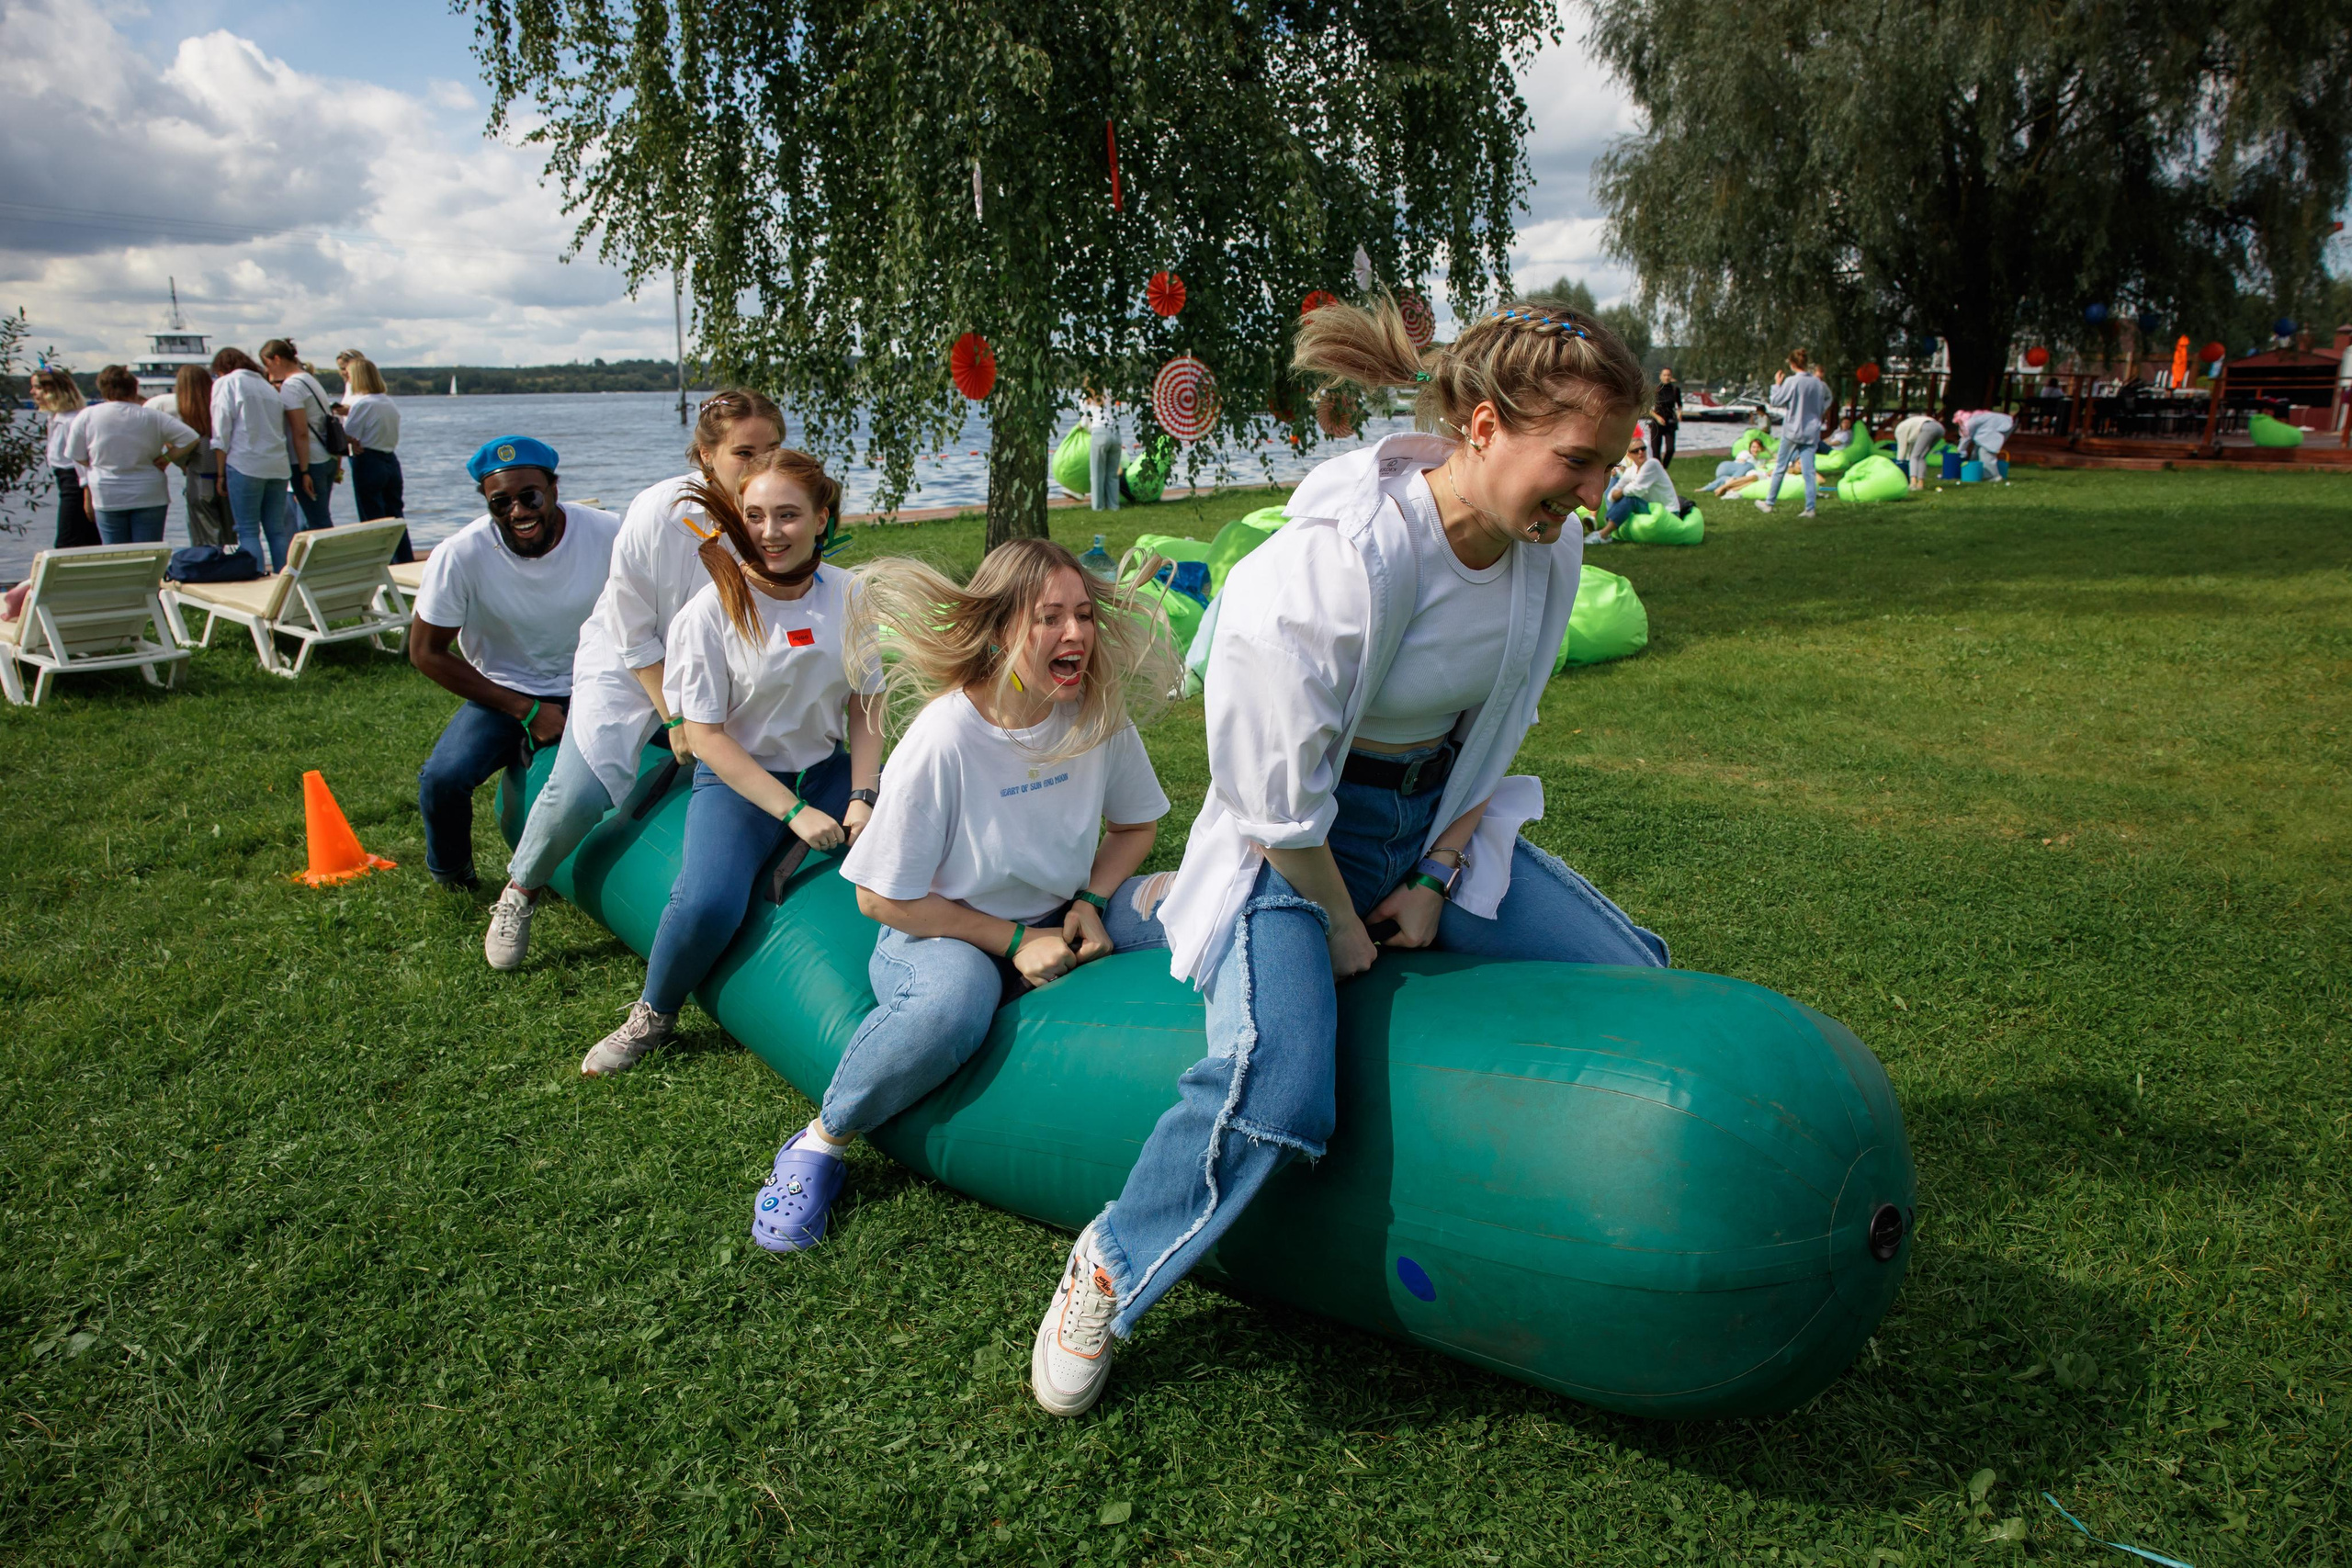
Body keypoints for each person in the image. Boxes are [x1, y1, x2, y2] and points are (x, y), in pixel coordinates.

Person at [1022, 296, 1669, 1418]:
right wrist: (1337, 920)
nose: (1592, 497)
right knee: (1280, 1096)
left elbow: (1492, 741)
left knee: (1634, 982)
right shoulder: (1331, 568)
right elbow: (1278, 808)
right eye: (1575, 462)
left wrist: (1428, 880)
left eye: (1609, 467)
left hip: (1423, 830)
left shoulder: (1542, 556)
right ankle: (1114, 1262)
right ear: (1479, 429)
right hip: (1292, 851)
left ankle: (1167, 905)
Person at [752, 536, 1178, 1254]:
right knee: (955, 1003)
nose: (1075, 633)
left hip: (1057, 909)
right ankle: (821, 1141)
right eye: (1050, 617)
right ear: (1002, 627)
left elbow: (1139, 825)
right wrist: (1015, 942)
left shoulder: (1094, 714)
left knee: (1202, 896)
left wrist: (1090, 900)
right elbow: (880, 900)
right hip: (937, 934)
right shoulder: (946, 736)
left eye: (1083, 614)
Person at [575, 449, 885, 1077]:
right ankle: (653, 1015)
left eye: (789, 515)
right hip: (738, 779)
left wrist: (864, 793)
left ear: (822, 518)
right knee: (707, 903)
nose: (771, 531)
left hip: (828, 769)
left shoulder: (851, 594)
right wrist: (794, 812)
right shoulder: (710, 609)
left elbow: (867, 702)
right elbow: (705, 736)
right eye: (756, 516)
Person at [484, 389, 786, 971]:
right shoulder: (661, 511)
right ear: (705, 455)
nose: (762, 465)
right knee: (580, 791)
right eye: (744, 453)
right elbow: (631, 627)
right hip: (630, 662)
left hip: (716, 664)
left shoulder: (772, 511)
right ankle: (520, 889)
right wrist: (674, 715)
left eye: (772, 448)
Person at [409, 437, 619, 890]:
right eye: (500, 502)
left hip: (599, 681)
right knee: (442, 779)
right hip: (507, 690)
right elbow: (425, 651)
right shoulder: (460, 555)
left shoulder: (608, 532)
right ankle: (452, 875)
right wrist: (525, 710)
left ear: (555, 489)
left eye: (530, 496)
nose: (518, 512)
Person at [65, 366, 198, 544]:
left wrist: (96, 462)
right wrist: (167, 458)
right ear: (134, 389)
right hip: (149, 491)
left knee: (116, 555)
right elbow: (190, 437)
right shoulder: (152, 416)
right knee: (149, 553)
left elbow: (76, 455)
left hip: (107, 492)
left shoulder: (87, 416)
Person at [209, 346, 296, 570]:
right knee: (276, 531)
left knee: (247, 530)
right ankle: (286, 579)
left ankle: (255, 579)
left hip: (245, 463)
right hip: (277, 465)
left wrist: (220, 473)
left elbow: (221, 432)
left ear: (222, 369)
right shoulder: (267, 387)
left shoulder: (227, 383)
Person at [339, 355, 411, 561]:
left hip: (369, 459)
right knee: (396, 516)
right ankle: (403, 560)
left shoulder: (363, 403)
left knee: (372, 517)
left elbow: (348, 432)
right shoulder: (388, 402)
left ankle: (380, 564)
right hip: (390, 459)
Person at [260, 338, 335, 533]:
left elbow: (299, 431)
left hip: (309, 460)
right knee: (318, 518)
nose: (268, 371)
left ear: (276, 359)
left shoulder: (291, 386)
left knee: (317, 523)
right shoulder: (308, 379)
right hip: (325, 455)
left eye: (266, 364)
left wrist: (303, 471)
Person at [164, 367, 231, 547]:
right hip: (225, 477)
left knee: (204, 537)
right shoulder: (217, 412)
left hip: (199, 479)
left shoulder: (184, 418)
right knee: (230, 535)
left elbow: (180, 454)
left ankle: (210, 568)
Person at [32, 369, 97, 549]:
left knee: (68, 541)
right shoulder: (54, 418)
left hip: (76, 483)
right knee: (83, 537)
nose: (32, 393)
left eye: (37, 388)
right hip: (65, 480)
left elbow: (82, 460)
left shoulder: (71, 420)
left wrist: (87, 496)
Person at [1758, 352, 1829, 516]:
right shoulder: (1818, 383)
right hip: (1811, 431)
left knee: (1781, 467)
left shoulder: (1792, 381)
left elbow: (1776, 401)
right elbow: (1828, 397)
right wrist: (1820, 410)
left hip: (1792, 430)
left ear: (1792, 364)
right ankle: (1810, 508)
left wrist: (1777, 384)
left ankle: (1769, 502)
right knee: (1809, 471)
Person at [1589, 431, 1680, 543]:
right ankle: (1608, 525)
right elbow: (1613, 493)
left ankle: (1603, 534)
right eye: (1635, 451)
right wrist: (1617, 493)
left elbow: (1636, 490)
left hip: (1668, 512)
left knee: (1630, 499)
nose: (1640, 452)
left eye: (1643, 448)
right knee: (1615, 482)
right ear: (1629, 455)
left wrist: (1620, 493)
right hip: (1651, 507)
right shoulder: (1632, 470)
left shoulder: (1652, 464)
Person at [1703, 427, 1772, 495]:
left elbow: (1777, 459)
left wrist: (1767, 449)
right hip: (1730, 470)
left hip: (1744, 476)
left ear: (1761, 449)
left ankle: (1728, 490)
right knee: (1748, 467)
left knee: (1750, 480)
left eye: (1758, 447)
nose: (1755, 449)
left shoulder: (1760, 460)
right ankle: (1726, 483)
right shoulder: (1745, 453)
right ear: (1750, 447)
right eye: (1753, 447)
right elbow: (1740, 464)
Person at [1893, 412, 1945, 491]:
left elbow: (1902, 448)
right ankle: (1920, 483)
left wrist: (1899, 463)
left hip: (1927, 428)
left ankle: (1913, 483)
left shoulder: (1899, 429)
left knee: (1914, 456)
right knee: (1921, 456)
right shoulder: (1909, 425)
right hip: (1939, 428)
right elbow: (1911, 447)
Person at [1962, 407, 2014, 479]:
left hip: (2003, 427)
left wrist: (1960, 450)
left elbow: (1966, 437)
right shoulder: (1976, 418)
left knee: (1985, 452)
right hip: (2003, 425)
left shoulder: (1971, 422)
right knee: (1978, 450)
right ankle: (1977, 473)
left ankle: (1993, 476)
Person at [1648, 367, 1681, 467]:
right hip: (1657, 421)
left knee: (1671, 449)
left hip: (1670, 421)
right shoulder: (1656, 390)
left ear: (1671, 377)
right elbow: (1648, 408)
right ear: (1660, 376)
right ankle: (1658, 471)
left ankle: (1663, 468)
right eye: (1664, 375)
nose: (1667, 377)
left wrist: (1680, 413)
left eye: (1668, 375)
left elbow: (1680, 405)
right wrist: (1657, 417)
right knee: (1656, 450)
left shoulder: (1675, 390)